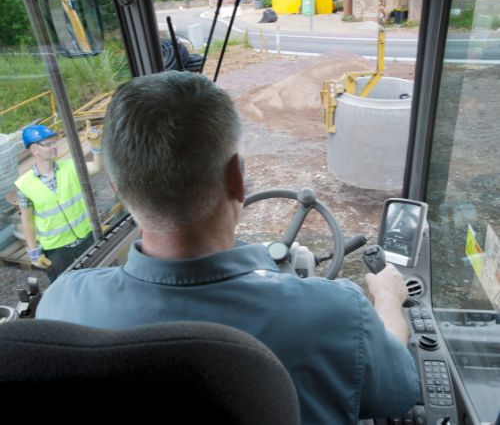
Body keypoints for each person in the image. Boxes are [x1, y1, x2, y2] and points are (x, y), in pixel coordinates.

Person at [37, 71, 420, 423]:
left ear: (120, 191)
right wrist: (387, 298)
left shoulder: (62, 306)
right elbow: (397, 393)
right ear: (237, 178)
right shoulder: (337, 313)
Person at [15, 122, 102, 282]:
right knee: (65, 289)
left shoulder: (70, 167)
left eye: (54, 142)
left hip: (86, 239)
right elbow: (26, 221)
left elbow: (97, 166)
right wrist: (34, 252)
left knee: (97, 280)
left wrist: (96, 147)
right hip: (56, 250)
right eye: (48, 144)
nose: (54, 146)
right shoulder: (24, 185)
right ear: (35, 150)